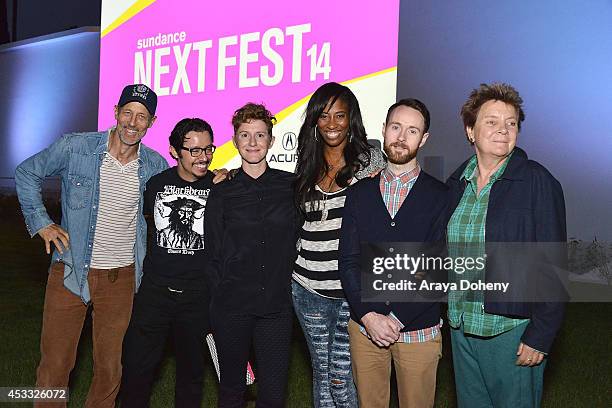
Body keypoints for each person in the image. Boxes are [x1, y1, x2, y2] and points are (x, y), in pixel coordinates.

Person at [15, 84, 168, 408]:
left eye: (141, 116)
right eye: (127, 112)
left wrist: (219, 177)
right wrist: (41, 222)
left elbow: (183, 189)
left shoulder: (154, 165)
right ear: (115, 112)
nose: (132, 121)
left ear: (151, 122)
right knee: (55, 366)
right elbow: (27, 172)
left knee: (110, 369)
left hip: (121, 279)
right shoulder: (77, 147)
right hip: (69, 271)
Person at [445, 83, 567, 407]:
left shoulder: (537, 181)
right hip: (461, 326)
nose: (503, 129)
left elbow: (553, 267)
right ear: (470, 130)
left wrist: (540, 335)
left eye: (511, 123)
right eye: (492, 121)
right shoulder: (455, 184)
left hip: (510, 330)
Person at [338, 99, 448, 408]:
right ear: (384, 130)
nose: (401, 137)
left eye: (412, 130)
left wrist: (396, 319)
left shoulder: (440, 196)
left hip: (418, 329)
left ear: (423, 139)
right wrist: (368, 316)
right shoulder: (359, 193)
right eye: (396, 127)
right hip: (365, 328)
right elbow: (347, 261)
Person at [292, 82, 385, 407]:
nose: (332, 123)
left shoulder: (371, 163)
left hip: (351, 291)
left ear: (352, 119)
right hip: (307, 289)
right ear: (315, 121)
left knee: (341, 380)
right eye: (324, 116)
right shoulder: (306, 165)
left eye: (340, 115)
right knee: (321, 375)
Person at [204, 103, 300, 408]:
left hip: (276, 307)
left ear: (271, 140)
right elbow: (212, 252)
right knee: (232, 390)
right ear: (235, 140)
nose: (253, 142)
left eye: (260, 135)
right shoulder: (221, 190)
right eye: (245, 135)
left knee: (272, 394)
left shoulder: (291, 186)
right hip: (232, 307)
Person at [120, 118, 217, 407]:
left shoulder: (220, 186)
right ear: (175, 151)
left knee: (191, 374)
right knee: (137, 371)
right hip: (155, 295)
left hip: (198, 297)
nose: (203, 157)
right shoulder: (155, 185)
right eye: (194, 150)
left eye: (208, 149)